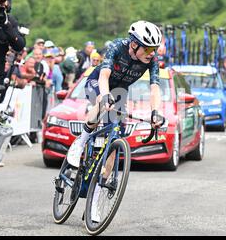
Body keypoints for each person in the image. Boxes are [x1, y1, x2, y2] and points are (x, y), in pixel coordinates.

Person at [66, 20, 165, 185]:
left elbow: (154, 88)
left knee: (116, 135)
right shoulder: (117, 46)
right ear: (134, 44)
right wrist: (105, 95)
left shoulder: (152, 61)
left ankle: (100, 187)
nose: (152, 53)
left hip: (120, 91)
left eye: (154, 49)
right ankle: (80, 142)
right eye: (148, 48)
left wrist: (155, 112)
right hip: (98, 83)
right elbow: (104, 75)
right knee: (101, 101)